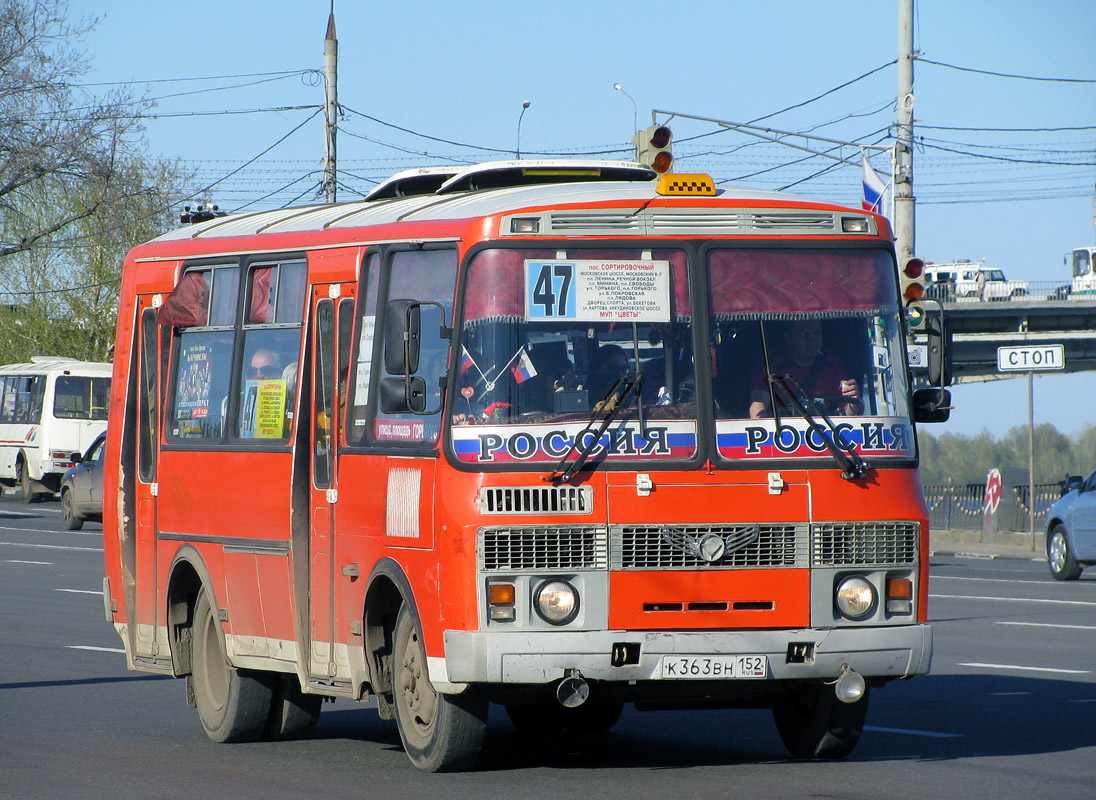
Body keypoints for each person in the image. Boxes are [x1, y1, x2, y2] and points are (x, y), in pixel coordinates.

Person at [748, 320, 859, 418]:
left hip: (824, 433)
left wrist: (853, 402)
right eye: (804, 334)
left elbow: (846, 413)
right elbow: (758, 405)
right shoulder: (773, 366)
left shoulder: (832, 366)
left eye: (816, 333)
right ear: (789, 338)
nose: (811, 339)